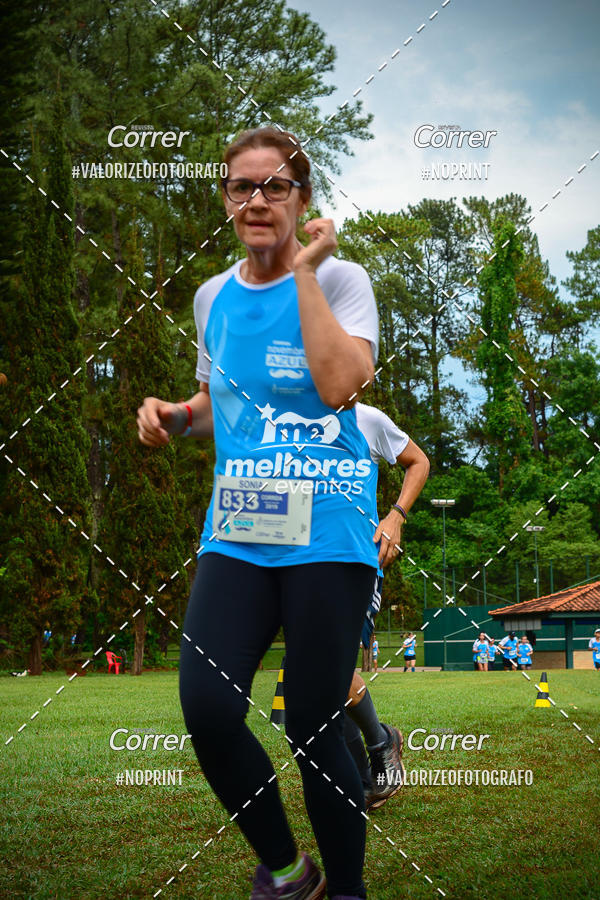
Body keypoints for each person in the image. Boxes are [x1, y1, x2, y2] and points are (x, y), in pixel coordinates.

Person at [138, 127, 382, 900]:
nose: (258, 199)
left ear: (302, 199)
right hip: (239, 530)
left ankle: (346, 890)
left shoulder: (343, 281)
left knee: (313, 726)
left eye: (277, 185)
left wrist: (304, 273)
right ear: (225, 199)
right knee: (208, 707)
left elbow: (344, 385)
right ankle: (287, 871)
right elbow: (219, 403)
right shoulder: (213, 295)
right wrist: (175, 415)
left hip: (329, 532)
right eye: (243, 186)